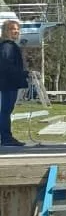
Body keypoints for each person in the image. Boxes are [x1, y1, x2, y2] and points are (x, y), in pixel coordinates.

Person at [0, 19, 29, 148]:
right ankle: (6, 137)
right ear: (6, 31)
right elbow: (7, 65)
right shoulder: (7, 46)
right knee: (6, 110)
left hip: (9, 83)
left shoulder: (9, 46)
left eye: (17, 29)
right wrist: (23, 74)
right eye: (13, 29)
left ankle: (6, 136)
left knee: (7, 110)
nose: (16, 31)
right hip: (8, 83)